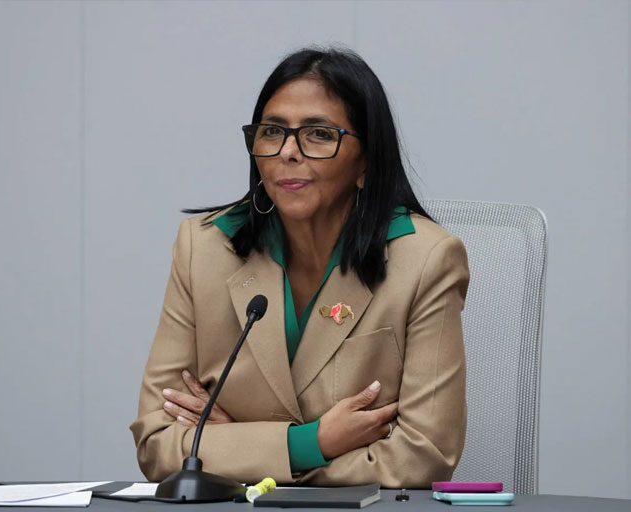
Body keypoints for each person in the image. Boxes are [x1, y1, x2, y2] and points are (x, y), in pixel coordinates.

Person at [129, 47, 469, 488]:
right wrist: (311, 443)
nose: (288, 152)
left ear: (366, 161)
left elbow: (423, 457)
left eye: (319, 135)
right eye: (272, 132)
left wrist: (233, 449)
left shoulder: (426, 259)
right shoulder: (204, 248)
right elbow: (157, 443)